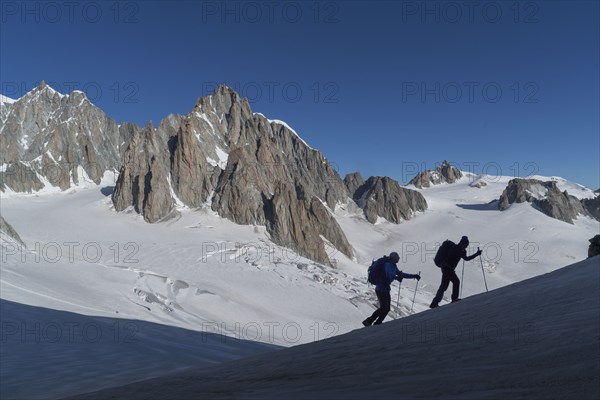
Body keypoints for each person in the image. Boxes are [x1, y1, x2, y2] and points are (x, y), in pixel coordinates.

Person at [363, 252, 420, 326]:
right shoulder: (388, 264)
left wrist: (414, 276)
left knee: (386, 308)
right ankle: (370, 321)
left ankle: (376, 323)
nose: (398, 258)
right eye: (397, 257)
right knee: (384, 308)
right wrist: (397, 277)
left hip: (384, 289)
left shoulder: (393, 265)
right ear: (394, 257)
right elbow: (389, 275)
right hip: (381, 289)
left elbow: (400, 274)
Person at [429, 236, 482, 308]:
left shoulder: (461, 250)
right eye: (465, 245)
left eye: (466, 246)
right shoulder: (456, 249)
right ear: (461, 243)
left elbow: (466, 258)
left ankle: (434, 303)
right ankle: (452, 299)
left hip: (447, 269)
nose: (465, 247)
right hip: (447, 269)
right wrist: (476, 254)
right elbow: (462, 258)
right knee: (454, 282)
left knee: (445, 286)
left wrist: (476, 254)